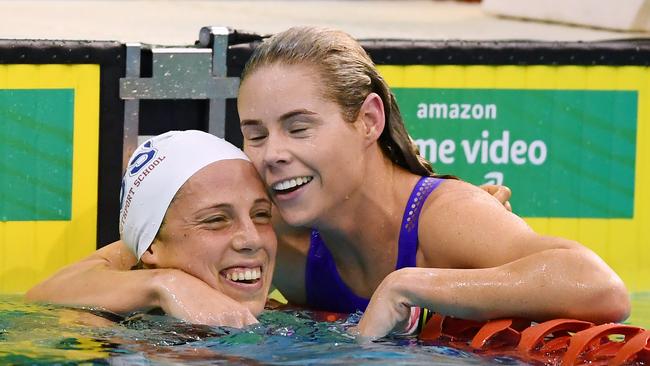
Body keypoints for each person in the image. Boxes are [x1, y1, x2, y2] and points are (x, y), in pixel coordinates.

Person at [236, 26, 630, 339]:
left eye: (299, 127)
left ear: (370, 120)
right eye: (256, 135)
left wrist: (410, 285)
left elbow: (601, 287)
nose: (272, 154)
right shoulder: (280, 240)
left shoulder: (441, 218)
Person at [27, 130, 276, 328]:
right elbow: (40, 300)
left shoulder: (289, 311)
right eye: (216, 220)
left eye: (261, 214)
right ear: (151, 246)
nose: (252, 238)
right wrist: (166, 284)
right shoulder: (102, 332)